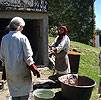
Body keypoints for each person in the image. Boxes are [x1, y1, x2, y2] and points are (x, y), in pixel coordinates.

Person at [0, 17, 40, 100]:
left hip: (10, 72)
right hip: (22, 72)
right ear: (19, 27)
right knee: (24, 94)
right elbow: (28, 57)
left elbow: (2, 57)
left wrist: (4, 71)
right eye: (22, 27)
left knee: (14, 93)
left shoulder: (4, 39)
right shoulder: (22, 38)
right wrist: (34, 68)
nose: (22, 29)